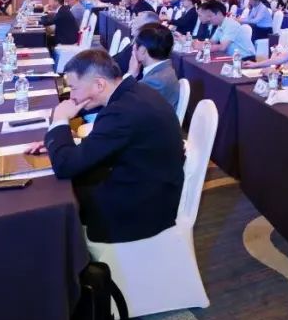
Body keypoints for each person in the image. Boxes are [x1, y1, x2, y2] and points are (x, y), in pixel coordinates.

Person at [32, 50, 184, 243]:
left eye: (74, 88)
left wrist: (60, 120)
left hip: (143, 207)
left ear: (99, 84)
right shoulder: (133, 93)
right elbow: (107, 143)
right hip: (150, 182)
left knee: (50, 204)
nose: (71, 96)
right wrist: (62, 143)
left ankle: (72, 258)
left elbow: (65, 166)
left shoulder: (121, 112)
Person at [128, 23, 180, 110]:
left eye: (135, 45)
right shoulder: (165, 70)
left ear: (143, 50)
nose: (133, 48)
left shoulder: (154, 81)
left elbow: (124, 105)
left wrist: (130, 74)